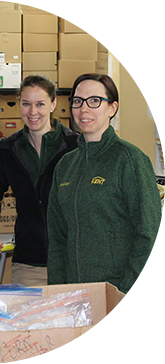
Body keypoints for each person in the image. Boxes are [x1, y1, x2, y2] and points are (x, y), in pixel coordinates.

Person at [47, 73, 165, 311]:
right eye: (77, 101)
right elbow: (58, 238)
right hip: (81, 298)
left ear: (112, 108)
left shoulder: (130, 160)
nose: (84, 109)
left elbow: (149, 233)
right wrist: (58, 295)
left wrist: (124, 295)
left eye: (94, 100)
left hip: (132, 297)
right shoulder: (66, 165)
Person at [0, 74, 78, 286]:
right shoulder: (8, 151)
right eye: (26, 104)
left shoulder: (74, 146)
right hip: (29, 264)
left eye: (40, 104)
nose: (33, 112)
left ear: (53, 104)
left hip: (73, 261)